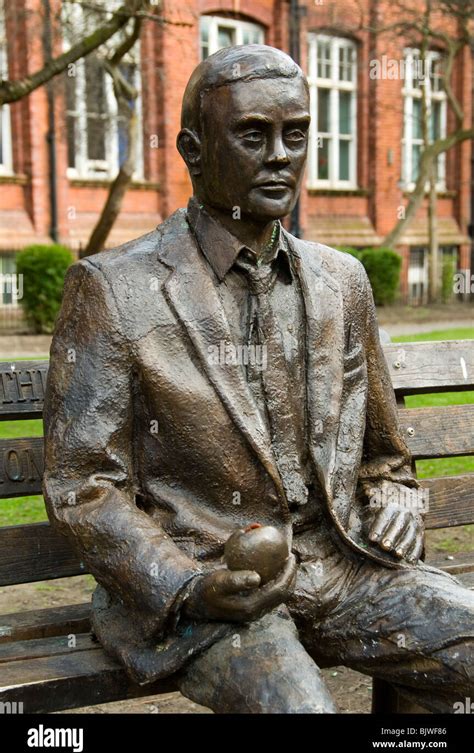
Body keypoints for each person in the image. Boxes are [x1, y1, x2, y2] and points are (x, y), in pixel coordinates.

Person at [42, 44, 474, 713]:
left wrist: (393, 498)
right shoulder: (113, 290)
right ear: (191, 148)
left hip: (341, 567)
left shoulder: (342, 282)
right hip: (207, 588)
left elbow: (386, 459)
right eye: (253, 135)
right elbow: (83, 485)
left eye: (294, 134)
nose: (280, 155)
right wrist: (187, 586)